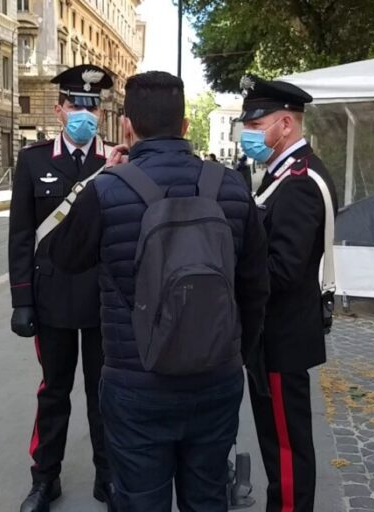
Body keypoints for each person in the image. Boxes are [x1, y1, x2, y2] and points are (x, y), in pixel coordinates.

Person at [48, 71, 270, 511]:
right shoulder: (231, 187)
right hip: (216, 377)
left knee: (139, 499)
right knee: (207, 496)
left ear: (127, 126)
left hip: (136, 381)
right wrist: (236, 355)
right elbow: (256, 286)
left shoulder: (107, 190)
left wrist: (97, 180)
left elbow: (64, 257)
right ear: (186, 126)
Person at [8, 64, 116, 512]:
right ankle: (44, 478)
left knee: (103, 392)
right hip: (51, 299)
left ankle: (107, 476)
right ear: (59, 110)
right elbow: (19, 235)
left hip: (101, 299)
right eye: (76, 105)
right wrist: (21, 300)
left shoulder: (115, 161)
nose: (84, 113)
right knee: (53, 391)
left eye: (93, 105)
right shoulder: (33, 160)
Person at [238, 74, 339, 512]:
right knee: (276, 439)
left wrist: (233, 272)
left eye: (257, 127)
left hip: (281, 336)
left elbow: (283, 269)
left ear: (285, 124)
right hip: (273, 334)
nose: (250, 135)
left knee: (286, 444)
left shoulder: (299, 181)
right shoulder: (283, 173)